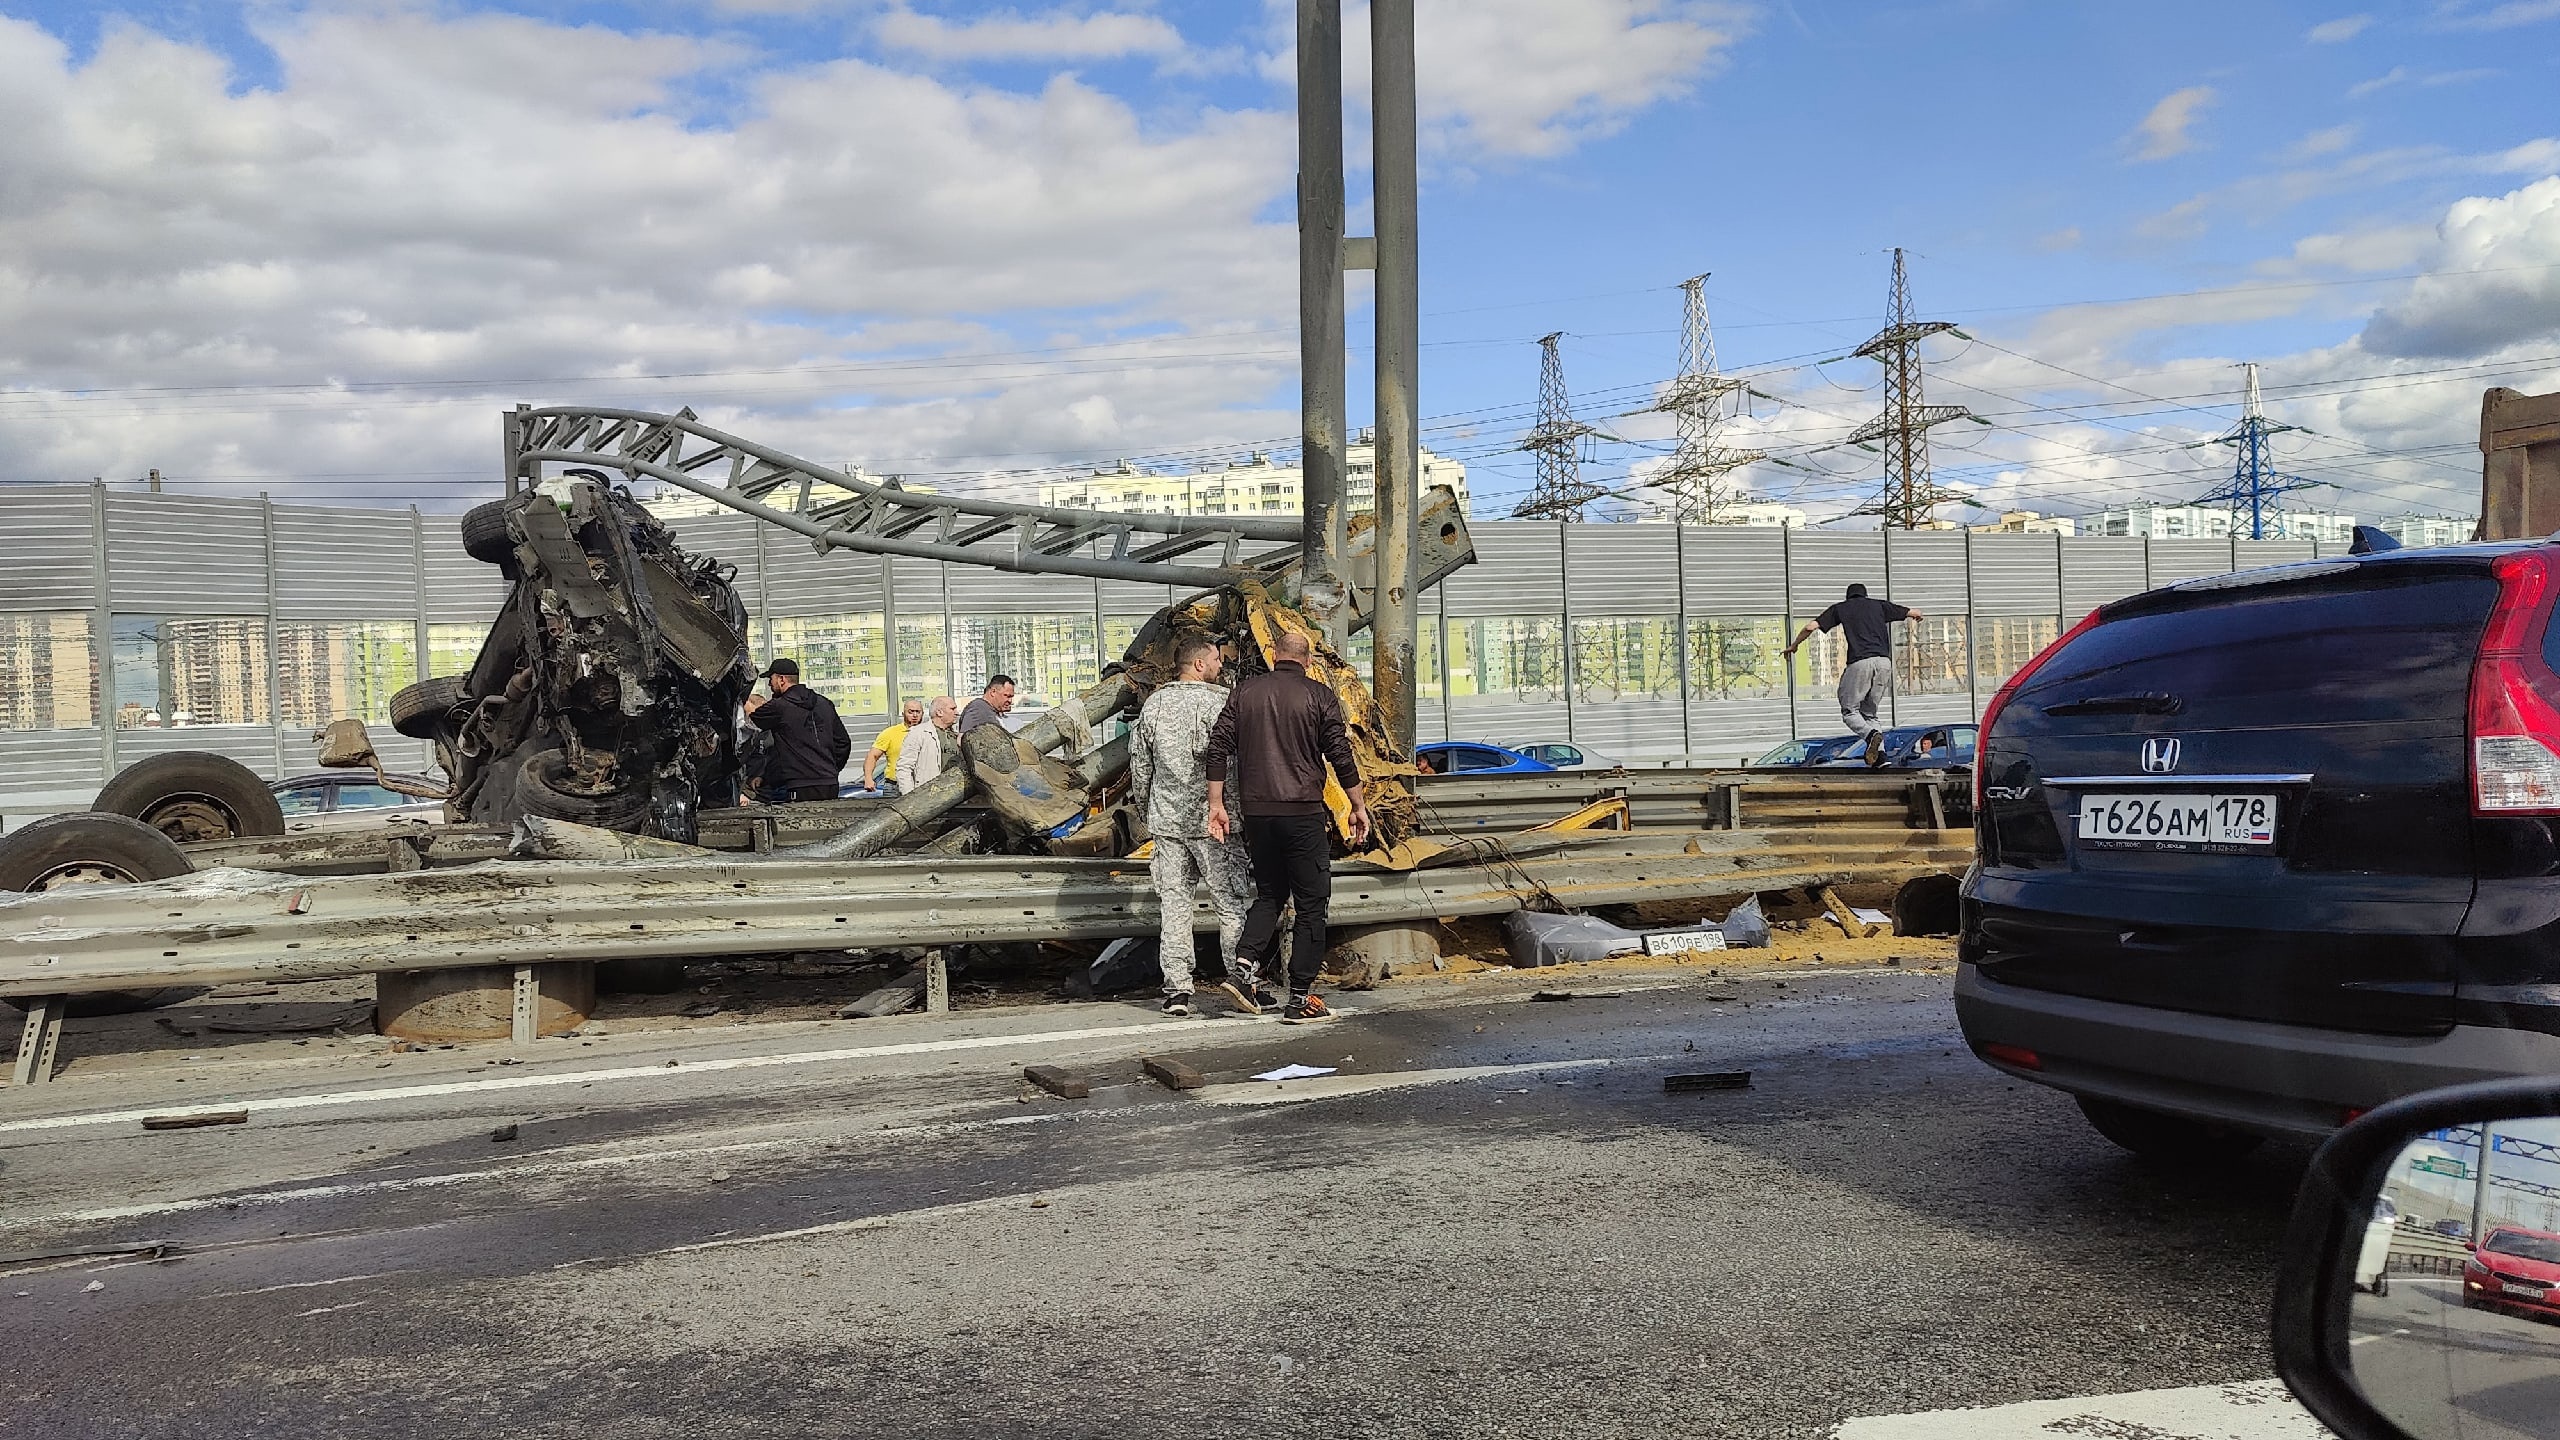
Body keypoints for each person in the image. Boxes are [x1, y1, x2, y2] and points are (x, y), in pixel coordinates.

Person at [1204, 630, 1372, 1023]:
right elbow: (1340, 756)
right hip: (1302, 813)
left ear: (1274, 655)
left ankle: (1243, 970)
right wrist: (1357, 805)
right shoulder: (1319, 696)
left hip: (1258, 814)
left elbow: (1217, 747)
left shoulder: (1244, 692)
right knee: (1312, 905)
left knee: (1269, 895)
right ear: (1308, 661)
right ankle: (1300, 998)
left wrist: (1216, 805)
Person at [1130, 635, 1253, 1018]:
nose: (1220, 665)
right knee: (1230, 903)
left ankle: (1178, 991)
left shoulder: (1154, 705)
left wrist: (1149, 810)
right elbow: (1241, 762)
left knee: (1174, 906)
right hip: (1216, 822)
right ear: (1198, 664)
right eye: (1216, 659)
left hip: (1168, 822)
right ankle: (1240, 980)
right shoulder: (1222, 703)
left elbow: (1140, 767)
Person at [1780, 583, 1925, 768]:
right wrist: (1918, 616)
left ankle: (1870, 735)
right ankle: (1880, 758)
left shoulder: (1841, 608)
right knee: (1870, 714)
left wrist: (1794, 645)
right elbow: (1914, 612)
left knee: (1849, 710)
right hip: (1884, 663)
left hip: (1860, 662)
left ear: (1849, 596)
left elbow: (1810, 627)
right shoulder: (1879, 605)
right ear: (1865, 595)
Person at [743, 658, 851, 802]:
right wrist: (829, 770)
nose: (769, 684)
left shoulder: (780, 706)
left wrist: (742, 700)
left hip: (800, 785)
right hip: (829, 783)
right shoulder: (824, 703)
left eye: (771, 679)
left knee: (802, 823)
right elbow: (843, 742)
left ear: (781, 679)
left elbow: (754, 717)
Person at [895, 696, 961, 792]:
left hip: (954, 795)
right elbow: (904, 767)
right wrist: (909, 797)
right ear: (939, 712)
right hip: (928, 796)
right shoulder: (919, 733)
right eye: (952, 709)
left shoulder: (956, 736)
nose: (957, 713)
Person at [862, 699, 925, 794]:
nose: (915, 715)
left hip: (921, 785)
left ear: (922, 714)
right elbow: (872, 756)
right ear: (903, 713)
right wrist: (868, 778)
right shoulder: (890, 733)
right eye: (911, 712)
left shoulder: (927, 733)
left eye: (918, 712)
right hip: (894, 786)